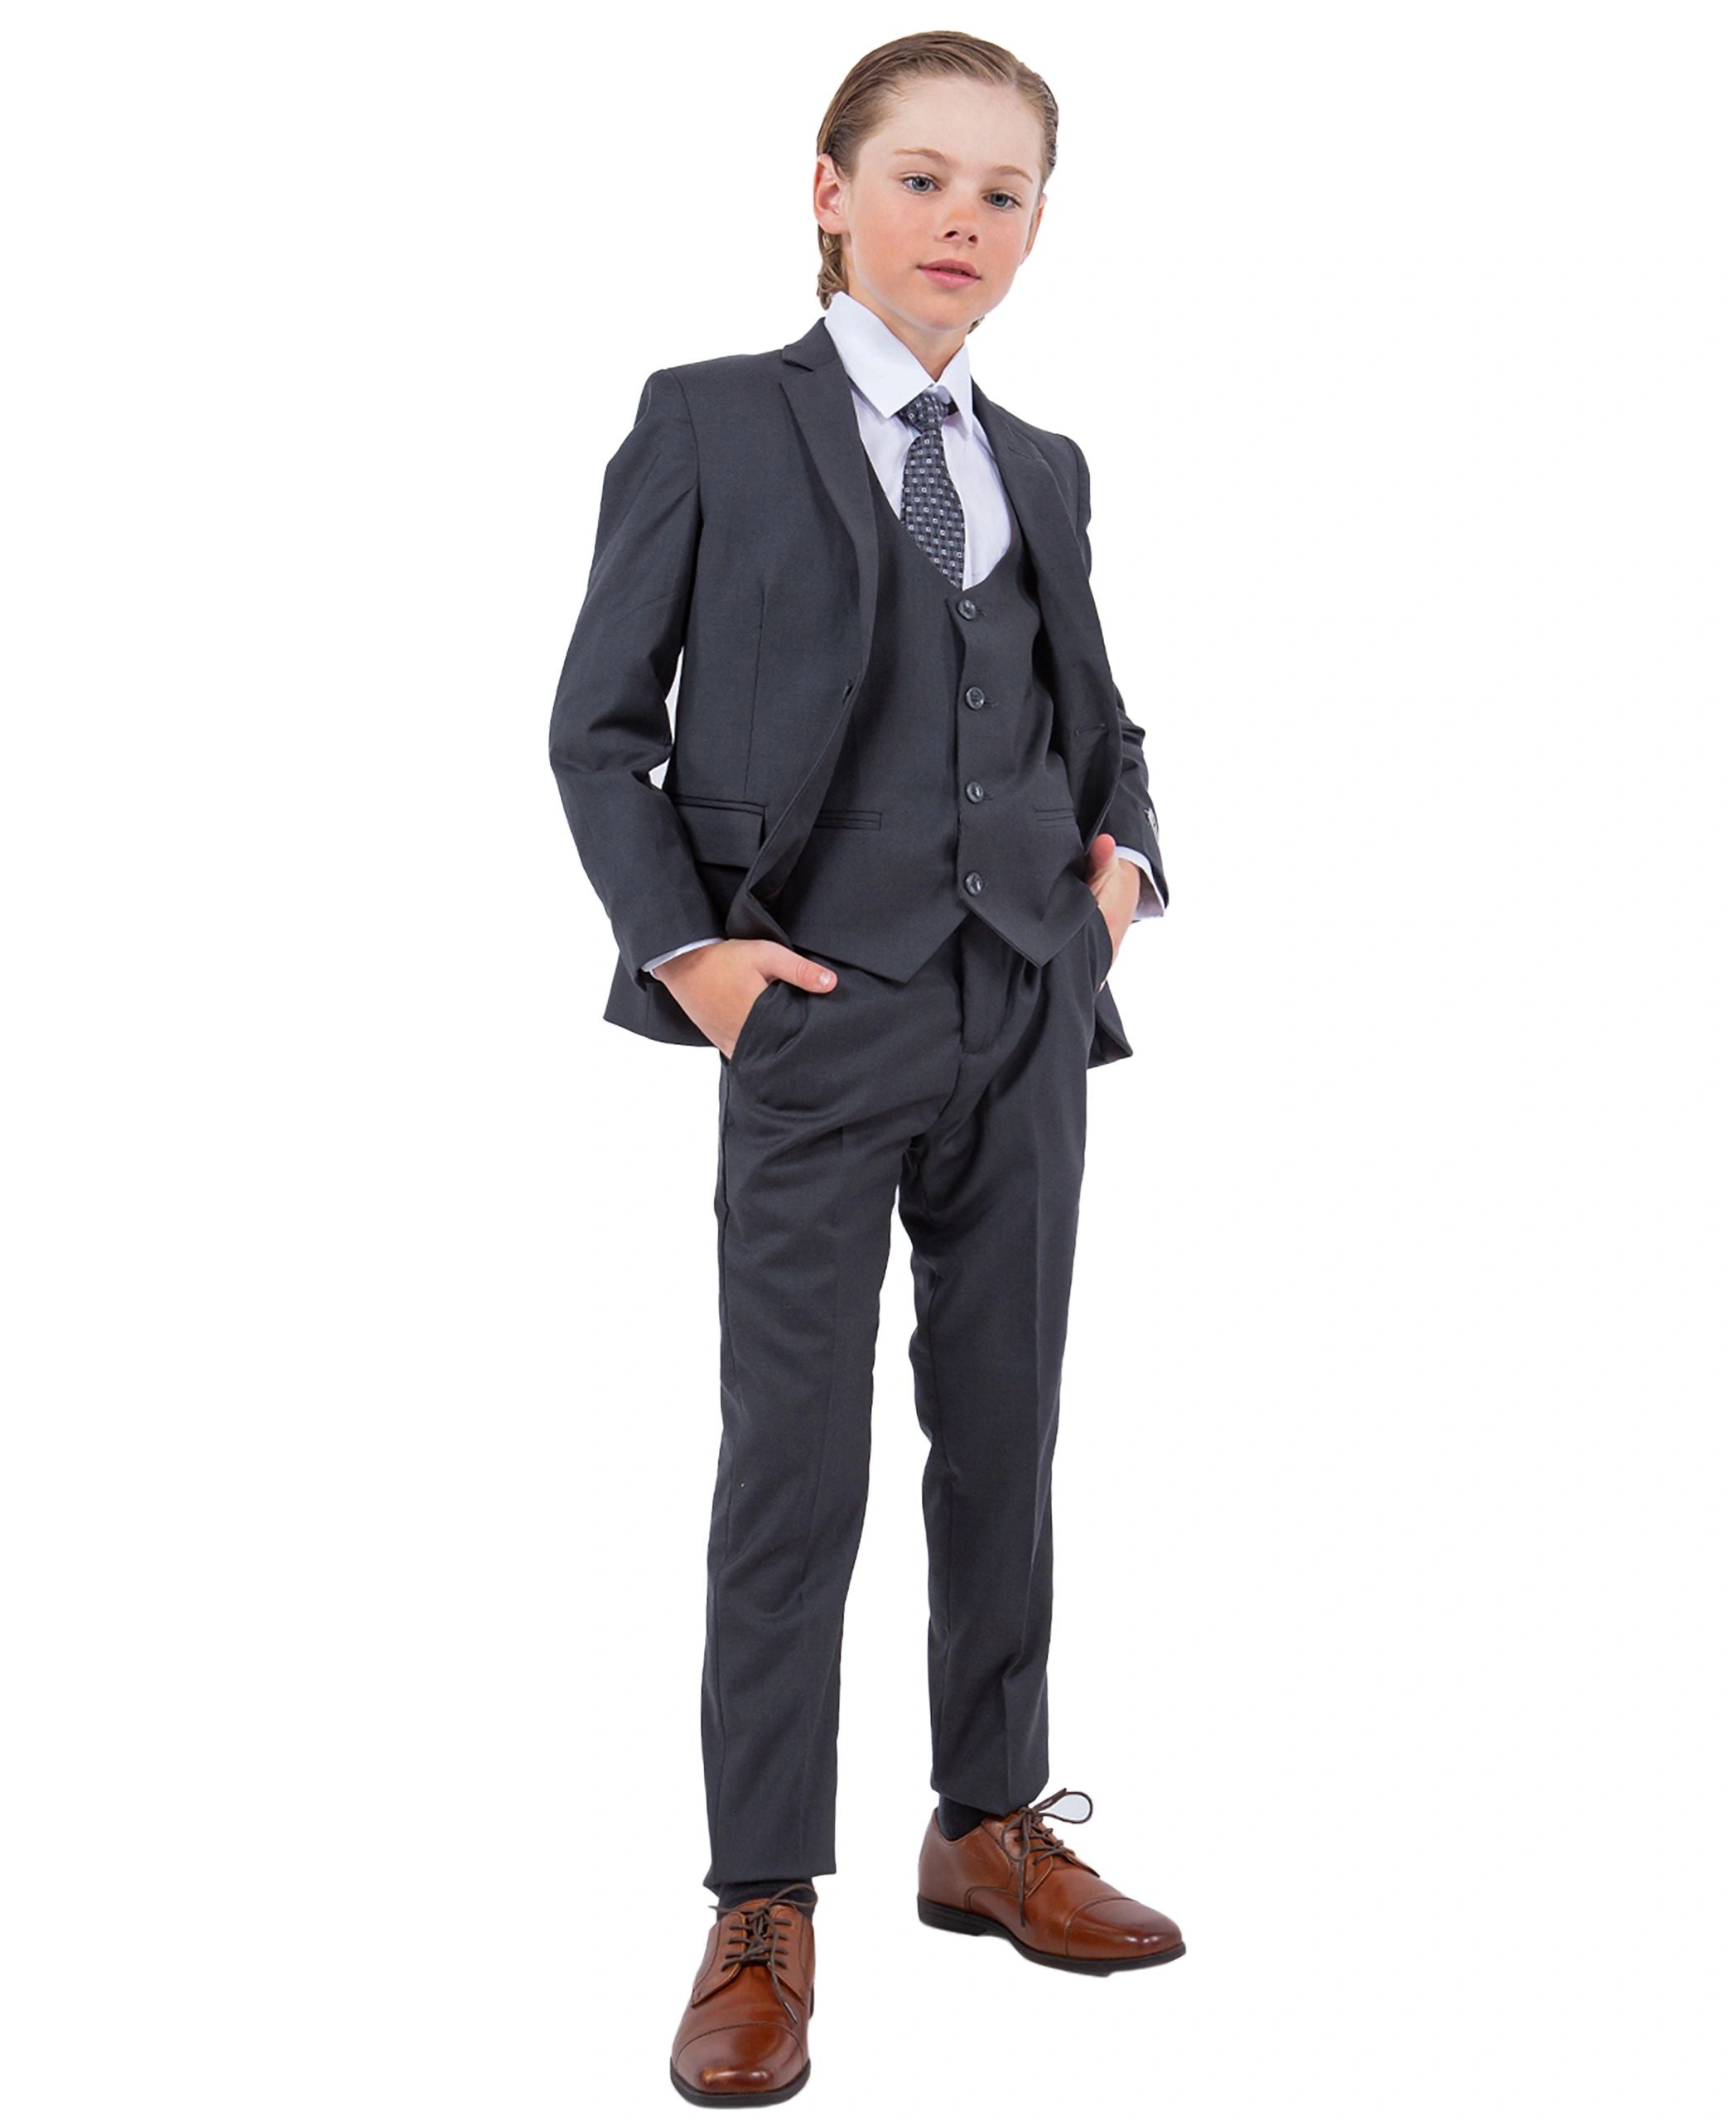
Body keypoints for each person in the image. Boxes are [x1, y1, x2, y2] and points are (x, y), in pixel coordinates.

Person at [548, 31, 1186, 2106]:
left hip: (1024, 1010)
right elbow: (596, 729)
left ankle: (985, 1821)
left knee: (1003, 1434)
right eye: (922, 181)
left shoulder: (1052, 467)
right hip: (816, 1017)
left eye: (1004, 195)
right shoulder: (714, 423)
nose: (961, 227)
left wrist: (1123, 879)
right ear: (827, 190)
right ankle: (761, 1900)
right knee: (792, 1469)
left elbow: (1106, 719)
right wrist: (699, 958)